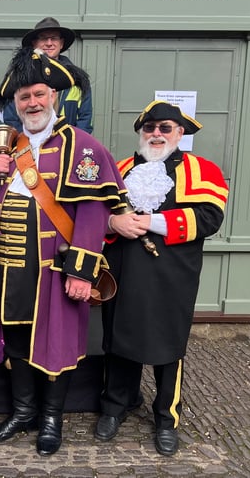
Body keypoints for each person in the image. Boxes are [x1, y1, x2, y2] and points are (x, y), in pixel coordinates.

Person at [0, 47, 125, 456]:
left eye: (39, 94)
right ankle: (24, 412)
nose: (31, 103)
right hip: (9, 267)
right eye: (24, 97)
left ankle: (50, 419)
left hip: (55, 269)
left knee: (55, 345)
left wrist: (81, 271)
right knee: (16, 340)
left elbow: (95, 213)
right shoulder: (8, 147)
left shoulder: (80, 146)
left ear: (54, 97)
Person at [95, 101, 229, 456]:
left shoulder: (202, 170)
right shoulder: (120, 168)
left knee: (169, 344)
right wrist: (113, 223)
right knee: (118, 336)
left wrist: (153, 222)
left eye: (165, 128)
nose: (156, 134)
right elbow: (97, 213)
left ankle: (167, 417)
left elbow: (210, 218)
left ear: (180, 133)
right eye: (150, 128)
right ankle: (115, 406)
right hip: (124, 265)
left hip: (172, 271)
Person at [1, 17, 93, 134]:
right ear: (34, 43)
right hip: (30, 146)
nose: (49, 43)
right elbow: (11, 119)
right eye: (44, 38)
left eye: (54, 38)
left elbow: (85, 120)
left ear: (61, 43)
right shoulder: (20, 75)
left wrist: (73, 144)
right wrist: (28, 143)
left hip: (67, 147)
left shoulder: (78, 79)